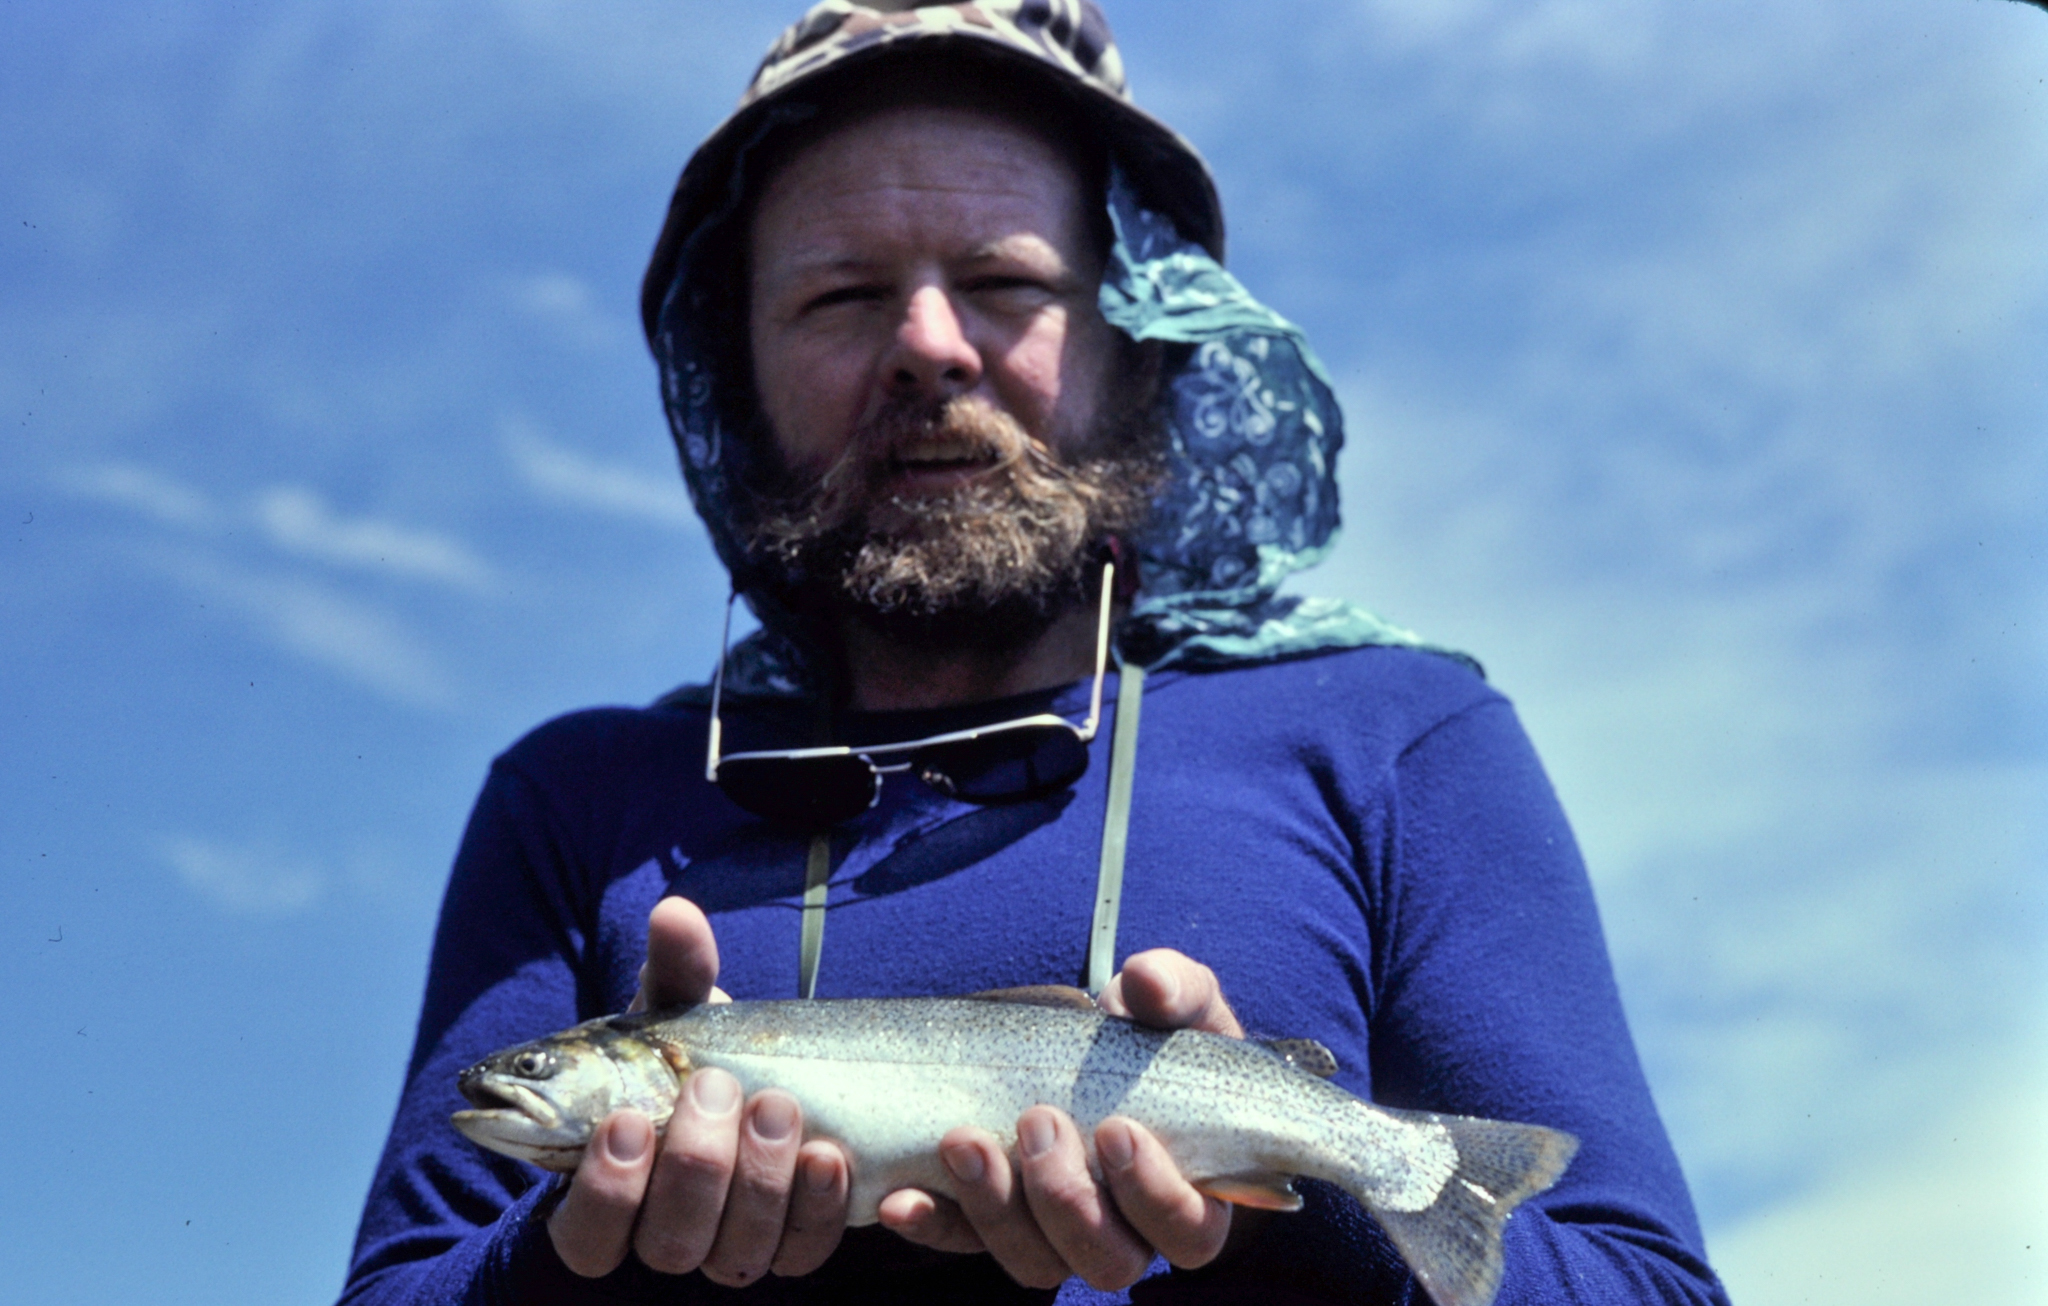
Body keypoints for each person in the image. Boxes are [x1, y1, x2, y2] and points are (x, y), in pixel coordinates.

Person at [340, 3, 1728, 1303]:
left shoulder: (1392, 735)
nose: (927, 346)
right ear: (732, 375)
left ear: (1139, 340)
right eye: (840, 297)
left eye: (1006, 281)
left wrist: (1280, 1210)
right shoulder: (577, 798)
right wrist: (599, 1256)